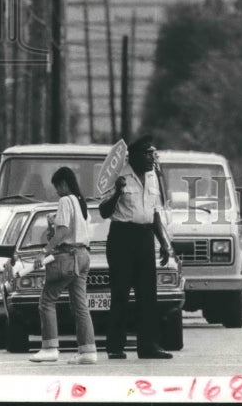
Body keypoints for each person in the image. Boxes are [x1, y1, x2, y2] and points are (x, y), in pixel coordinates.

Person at [99, 134, 175, 361]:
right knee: (120, 293)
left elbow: (154, 212)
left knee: (148, 295)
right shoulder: (118, 175)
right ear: (134, 156)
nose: (153, 157)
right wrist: (118, 192)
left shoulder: (152, 177)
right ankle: (115, 346)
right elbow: (104, 211)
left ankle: (148, 346)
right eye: (148, 153)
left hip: (144, 237)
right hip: (122, 236)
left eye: (154, 153)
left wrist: (163, 242)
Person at [29, 166, 97, 366]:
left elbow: (63, 232)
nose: (57, 191)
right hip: (84, 255)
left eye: (58, 186)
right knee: (80, 305)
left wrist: (45, 251)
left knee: (47, 300)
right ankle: (88, 351)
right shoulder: (81, 202)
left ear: (65, 184)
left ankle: (49, 348)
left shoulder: (66, 200)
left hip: (68, 255)